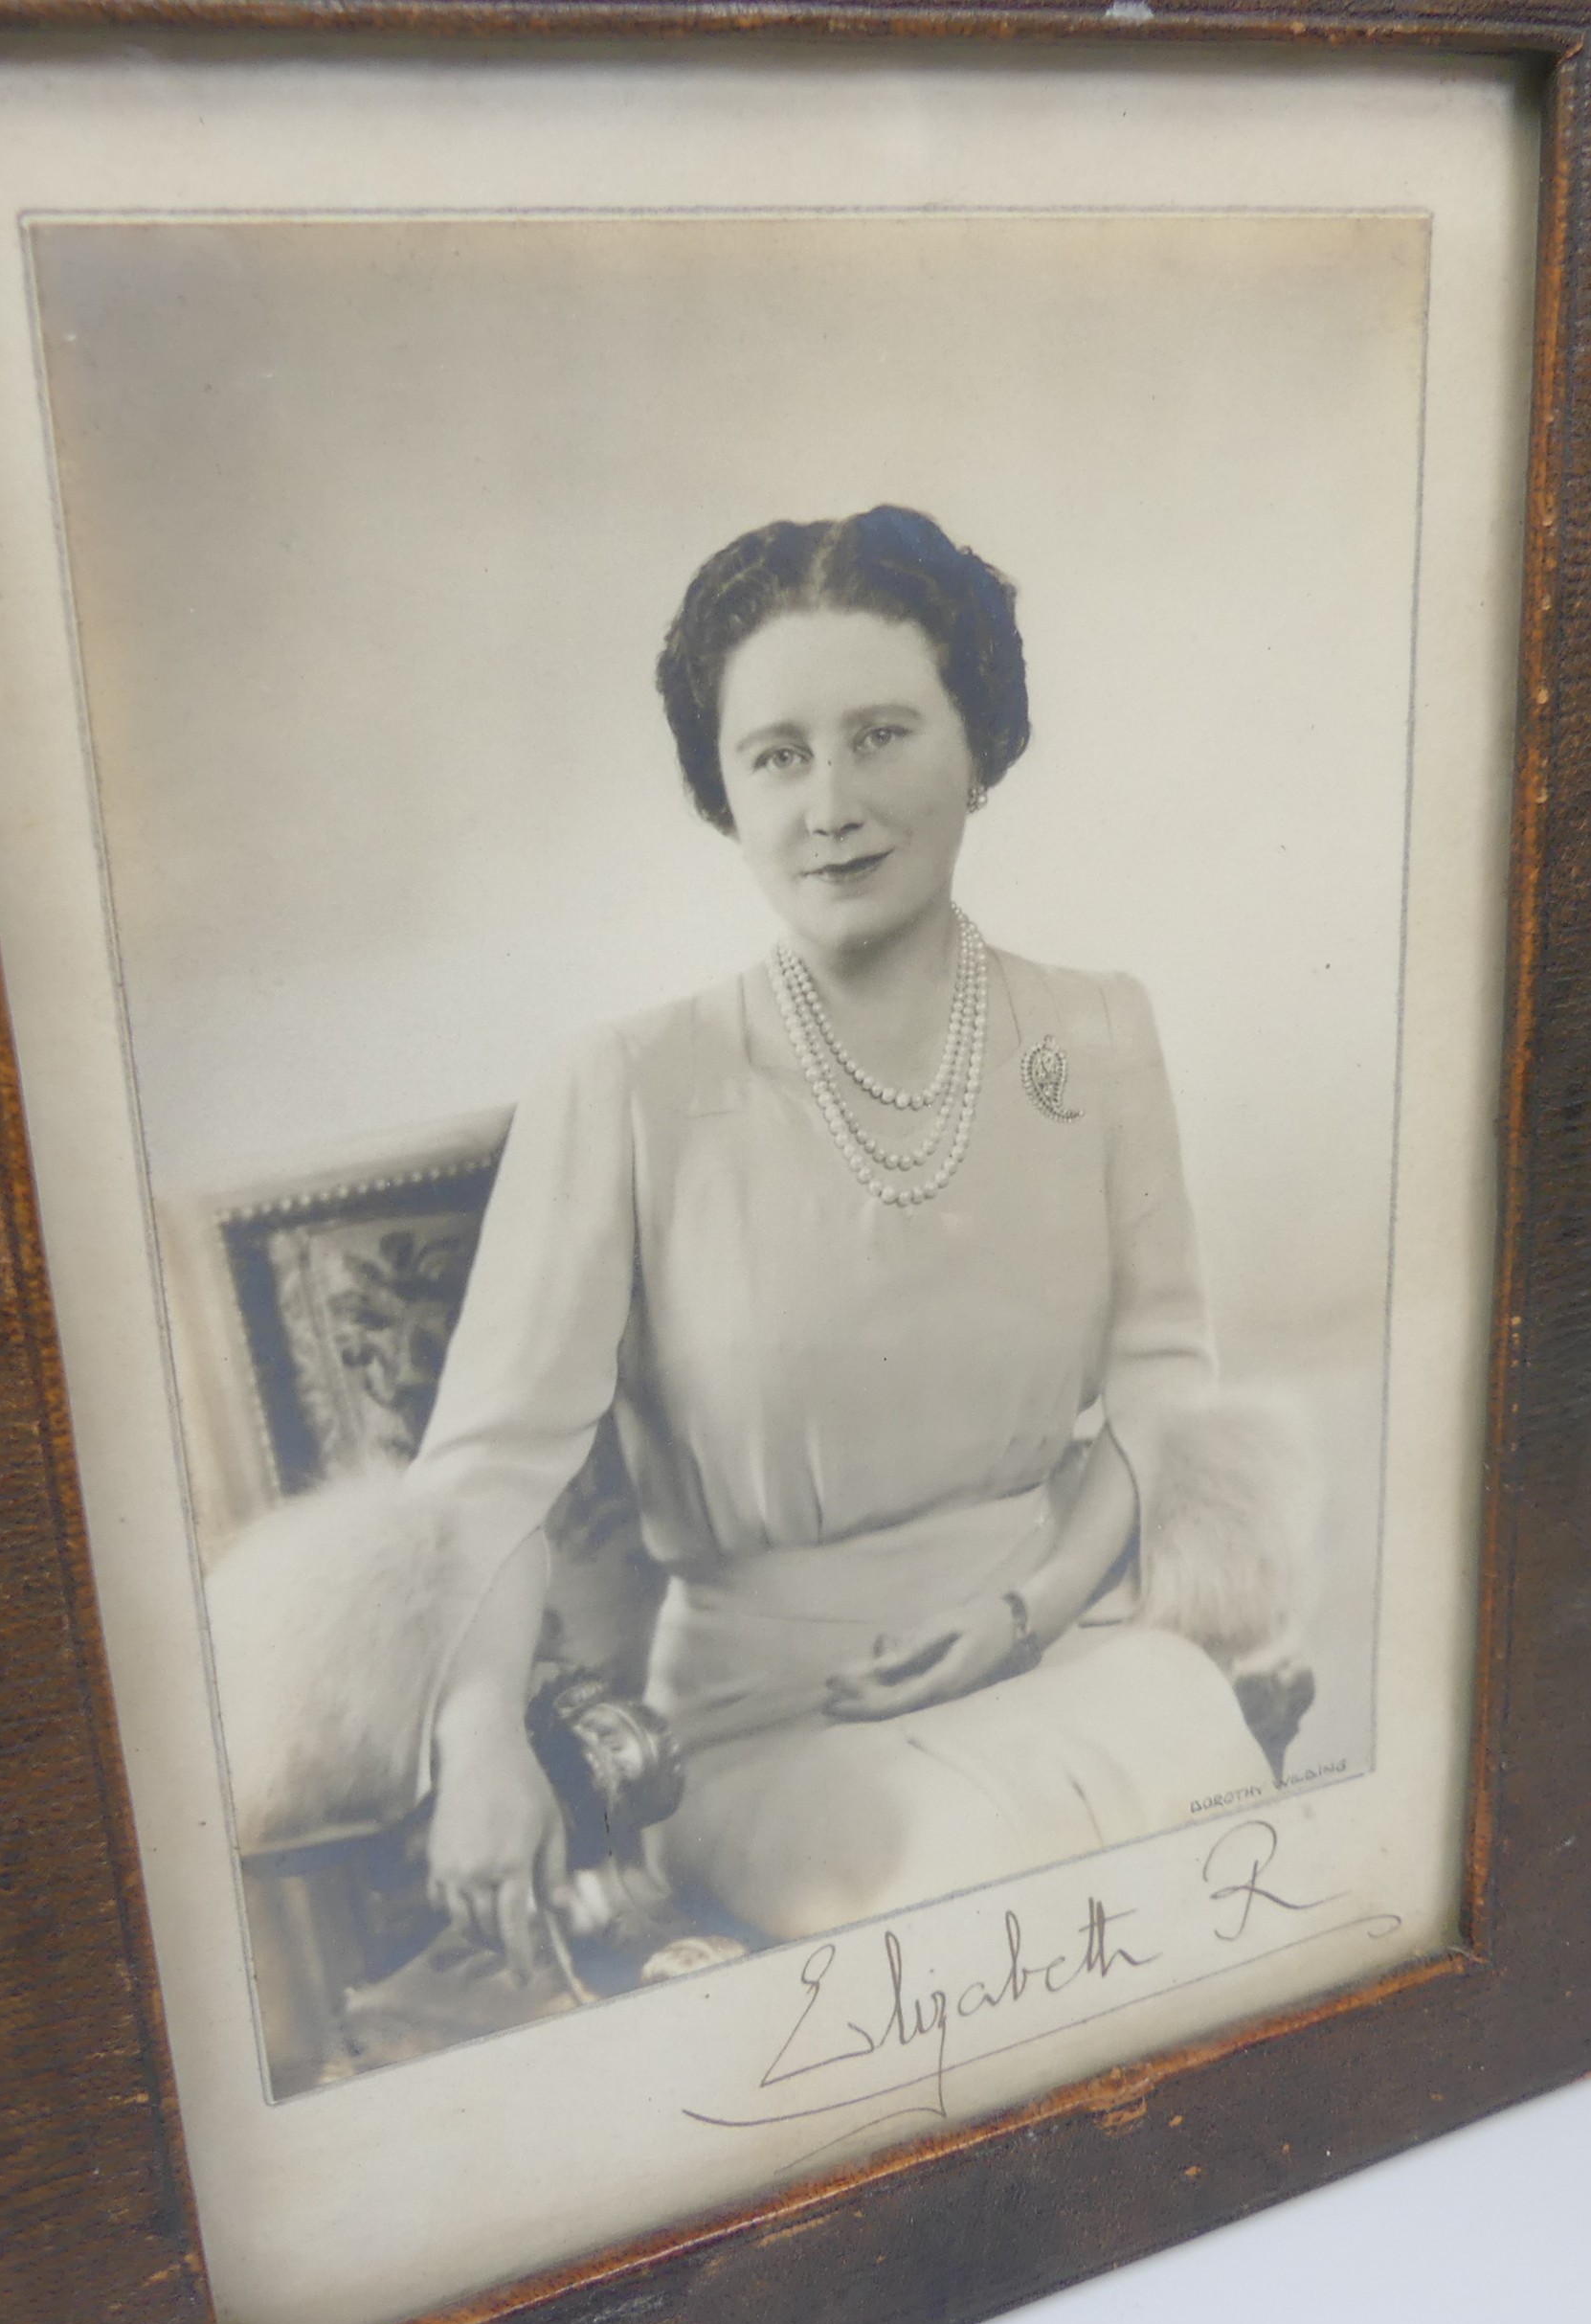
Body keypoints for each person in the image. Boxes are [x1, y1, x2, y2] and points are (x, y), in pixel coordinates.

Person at [209, 507, 1311, 1987]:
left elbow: (1165, 1384)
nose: (830, 803)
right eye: (776, 756)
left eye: (881, 735)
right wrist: (475, 1741)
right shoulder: (627, 1085)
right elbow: (488, 1477)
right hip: (760, 1735)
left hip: (1050, 1644)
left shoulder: (1097, 1033)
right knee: (997, 1901)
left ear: (978, 747)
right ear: (724, 795)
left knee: (1222, 1821)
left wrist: (1026, 1609)